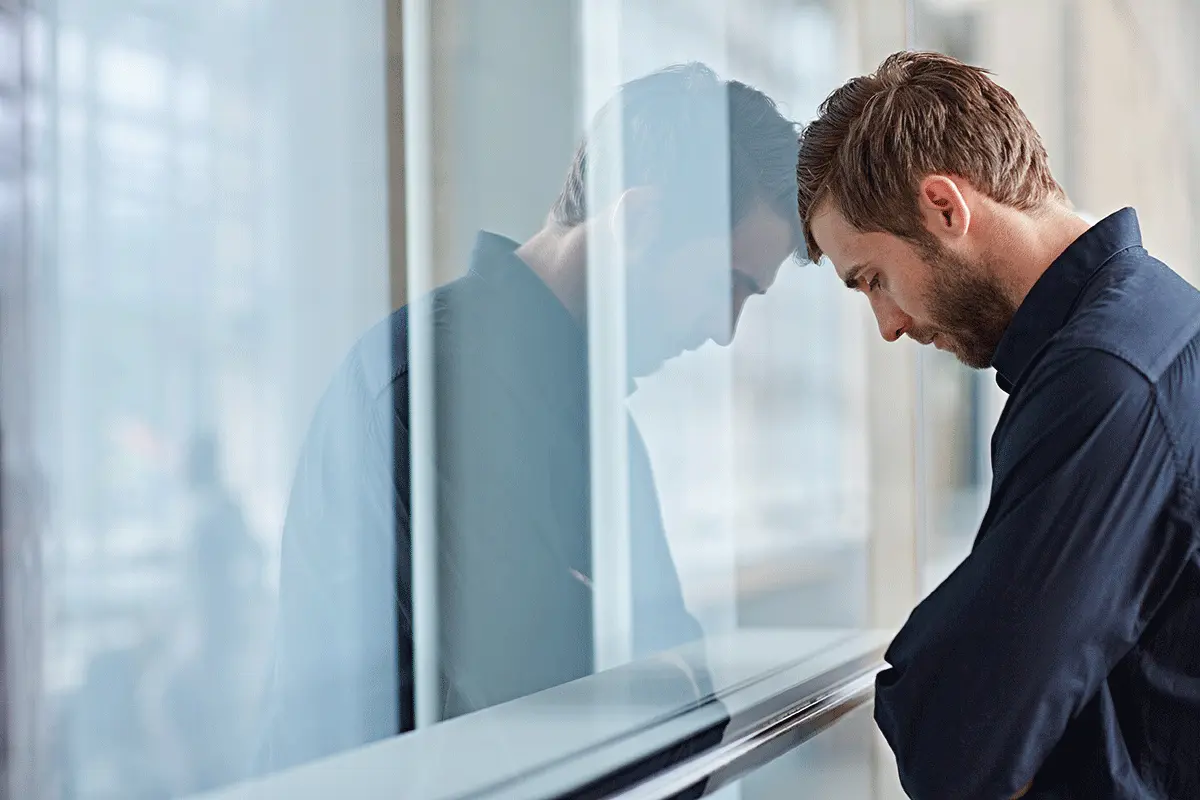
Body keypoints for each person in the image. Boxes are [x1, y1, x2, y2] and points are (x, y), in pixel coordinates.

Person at [256, 62, 803, 774]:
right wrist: (655, 675)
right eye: (728, 284)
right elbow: (564, 709)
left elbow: (686, 699)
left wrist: (654, 673)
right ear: (639, 221)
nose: (724, 330)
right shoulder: (440, 383)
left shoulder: (596, 423)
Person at [797, 50, 1200, 799]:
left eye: (873, 280)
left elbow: (965, 736)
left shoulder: (1106, 378)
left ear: (946, 207)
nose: (886, 325)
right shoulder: (1161, 321)